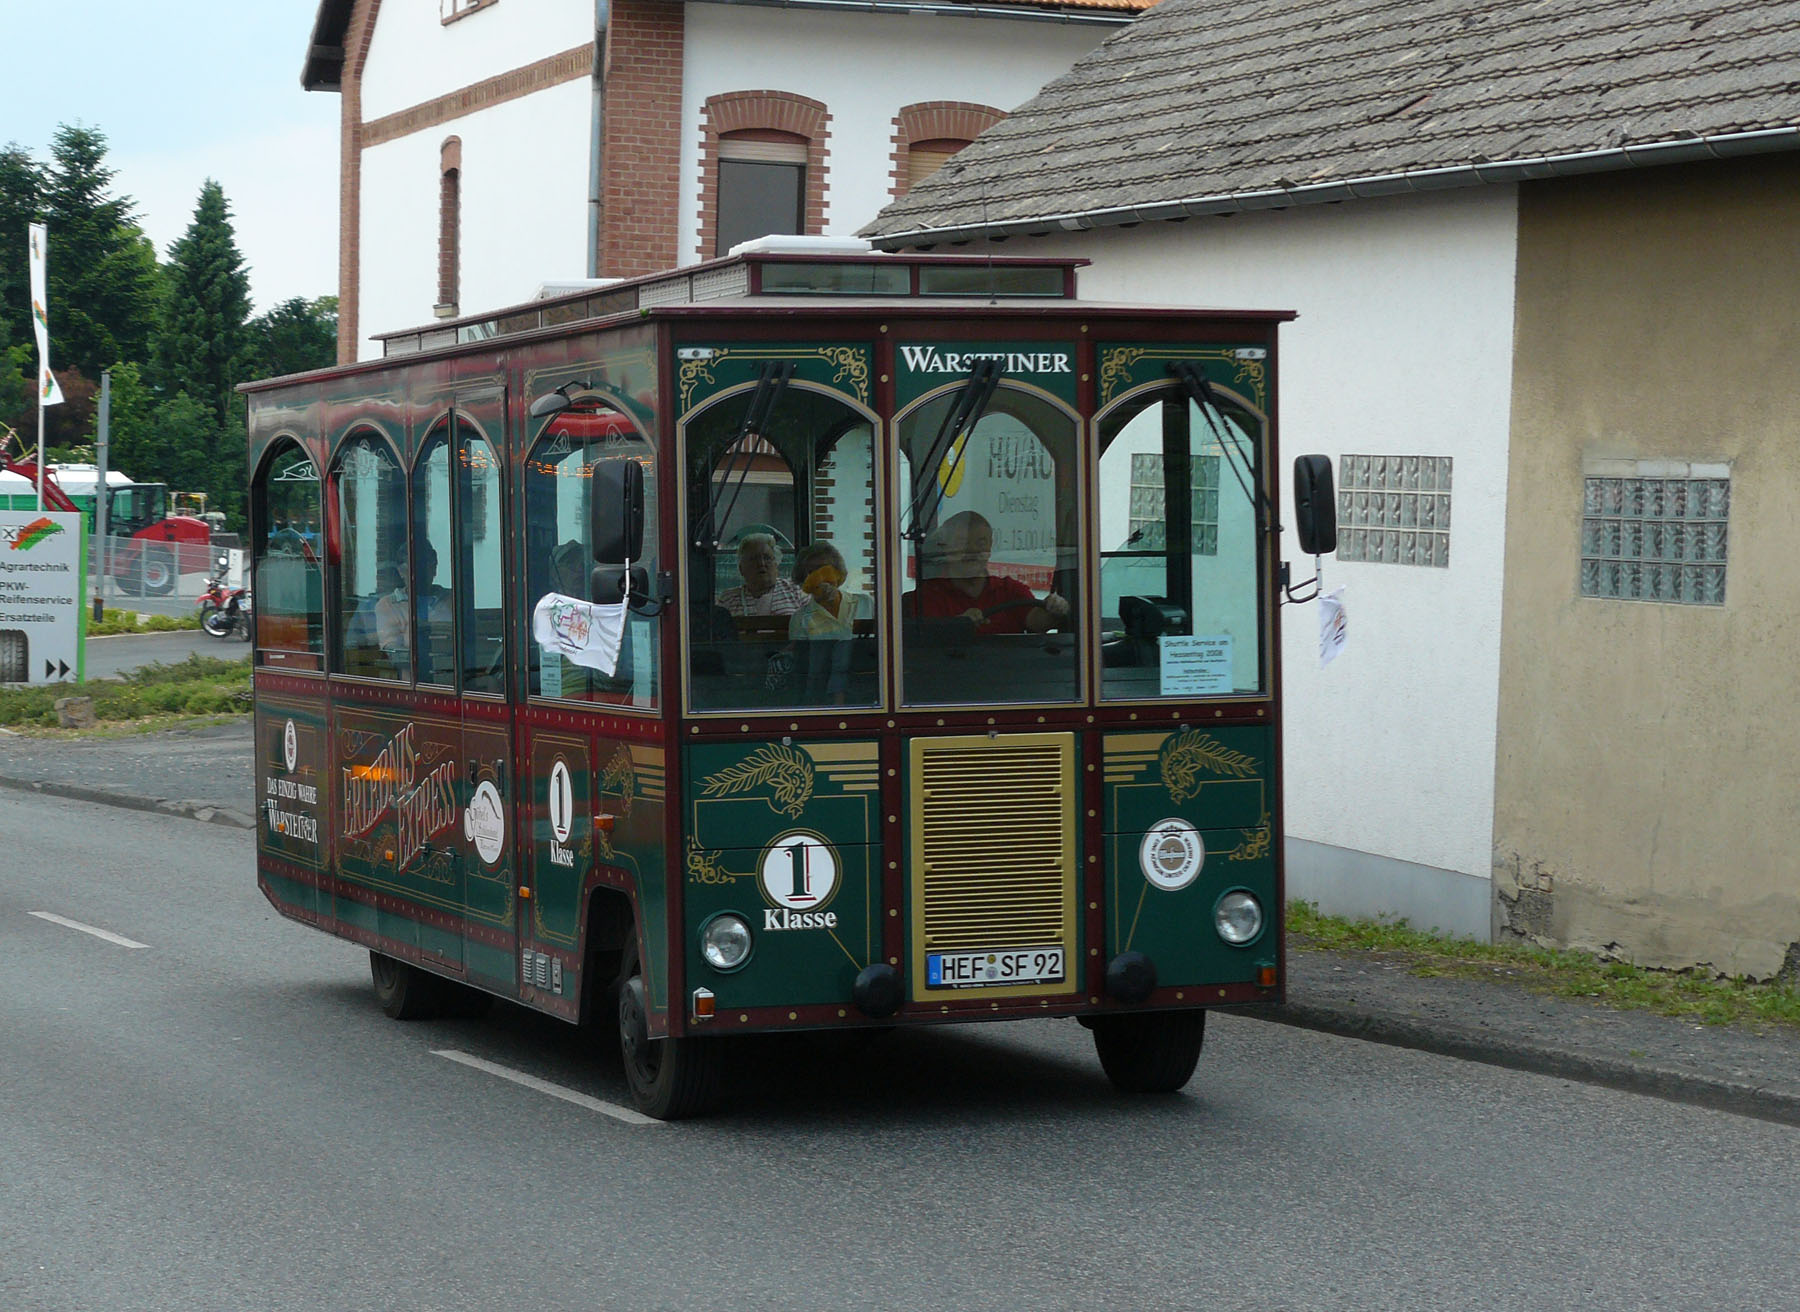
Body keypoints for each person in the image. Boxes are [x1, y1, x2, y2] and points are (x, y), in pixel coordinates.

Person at [910, 510, 1069, 634]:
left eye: (981, 543)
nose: (972, 550)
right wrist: (956, 626)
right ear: (944, 547)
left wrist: (1055, 609)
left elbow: (1037, 622)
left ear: (991, 547)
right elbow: (923, 642)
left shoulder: (1009, 590)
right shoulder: (927, 597)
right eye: (962, 543)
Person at [788, 542, 873, 640]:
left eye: (826, 570)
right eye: (812, 572)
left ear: (838, 573)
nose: (820, 578)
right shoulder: (800, 619)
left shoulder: (866, 603)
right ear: (803, 580)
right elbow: (802, 654)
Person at [717, 532, 805, 617]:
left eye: (767, 558)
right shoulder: (728, 599)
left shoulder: (795, 591)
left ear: (776, 564)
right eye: (753, 559)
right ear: (741, 569)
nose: (761, 563)